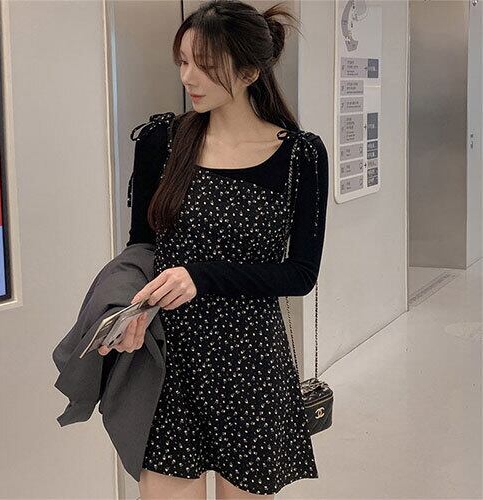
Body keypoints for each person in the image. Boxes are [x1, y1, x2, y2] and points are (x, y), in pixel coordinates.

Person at [100, 1, 329, 498]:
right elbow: (142, 246)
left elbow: (300, 274)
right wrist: (128, 309)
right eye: (183, 61)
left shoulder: (300, 155)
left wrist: (200, 276)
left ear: (249, 72)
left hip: (251, 362)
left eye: (204, 65)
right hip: (170, 360)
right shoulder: (160, 140)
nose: (188, 77)